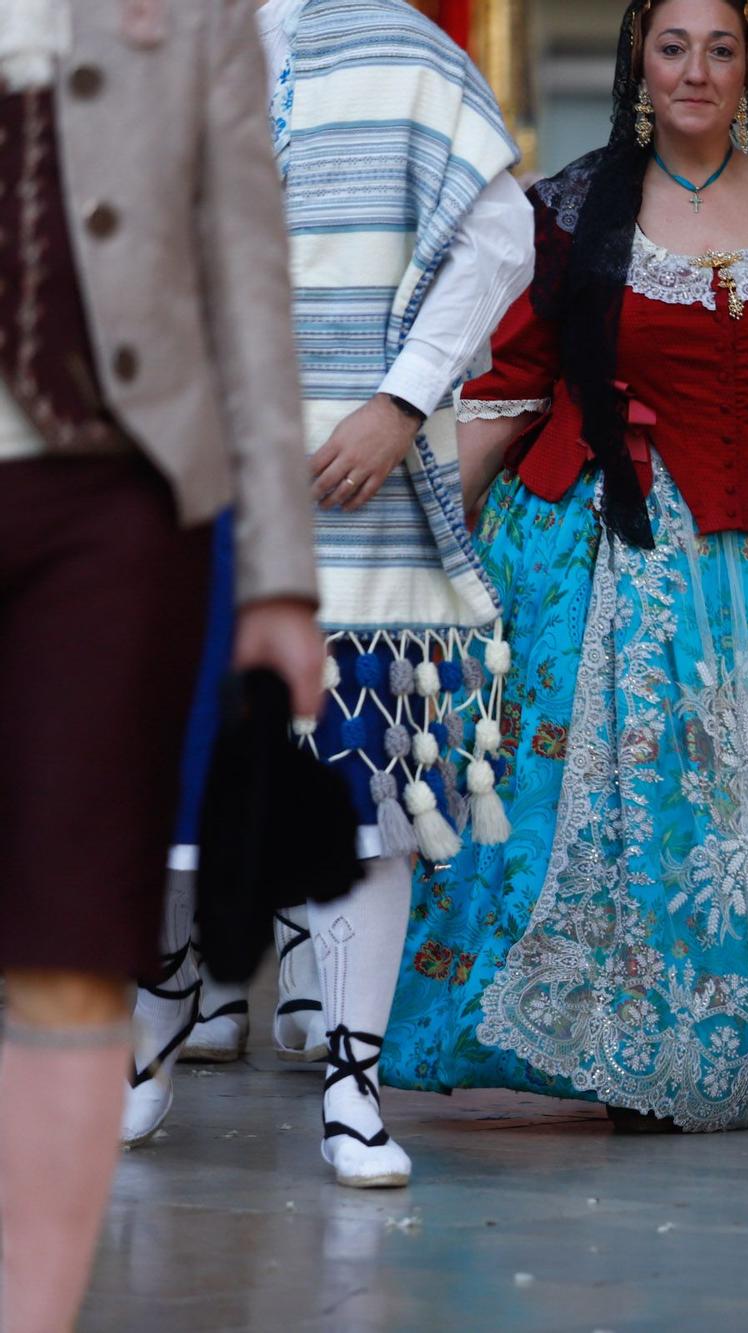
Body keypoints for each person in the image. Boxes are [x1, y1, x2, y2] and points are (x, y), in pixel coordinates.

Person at [380, 0, 748, 1134]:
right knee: (641, 803)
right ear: (638, 65)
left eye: (719, 47)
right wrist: (426, 548)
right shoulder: (574, 211)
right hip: (619, 547)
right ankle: (637, 1050)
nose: (695, 71)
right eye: (671, 47)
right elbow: (507, 395)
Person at [120, 0, 536, 1186]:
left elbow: (498, 237)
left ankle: (354, 1086)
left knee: (361, 792)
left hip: (339, 478)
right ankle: (153, 1025)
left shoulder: (398, 44)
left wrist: (402, 397)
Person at [0, 0, 324, 1326]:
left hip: (118, 504)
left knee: (75, 937)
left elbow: (247, 282)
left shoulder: (193, 15)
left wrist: (282, 583)